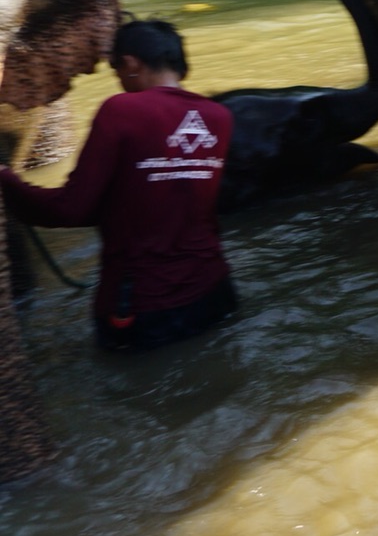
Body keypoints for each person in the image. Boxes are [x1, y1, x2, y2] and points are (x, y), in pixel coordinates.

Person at [0, 19, 238, 353]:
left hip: (143, 305)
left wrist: (7, 180)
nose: (120, 82)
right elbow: (162, 195)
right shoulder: (218, 117)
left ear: (130, 64)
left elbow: (70, 208)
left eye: (117, 72)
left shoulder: (122, 109)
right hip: (216, 291)